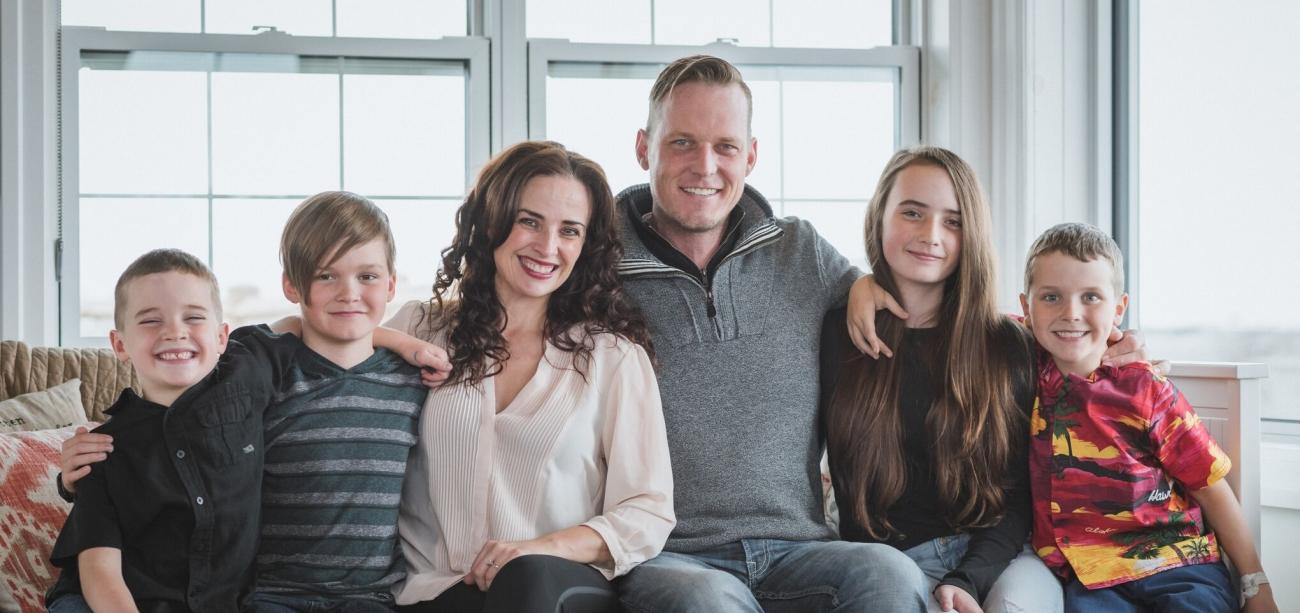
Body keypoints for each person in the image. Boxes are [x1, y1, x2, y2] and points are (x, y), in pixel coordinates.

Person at [612, 54, 928, 613]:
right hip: (669, 556)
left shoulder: (801, 251)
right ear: (644, 148)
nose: (705, 166)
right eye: (682, 143)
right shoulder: (597, 272)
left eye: (725, 147)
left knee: (891, 574)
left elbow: (908, 308)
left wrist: (863, 284)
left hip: (797, 548)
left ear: (750, 157)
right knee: (709, 600)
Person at [382, 140, 674, 613]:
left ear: (585, 246)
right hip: (434, 594)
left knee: (527, 579)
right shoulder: (419, 329)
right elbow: (328, 353)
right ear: (492, 221)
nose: (547, 247)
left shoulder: (613, 358)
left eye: (569, 231)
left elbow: (648, 511)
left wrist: (539, 549)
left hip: (553, 591)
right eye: (529, 221)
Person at [821, 146, 1062, 613]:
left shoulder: (1008, 344)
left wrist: (967, 579)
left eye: (953, 221)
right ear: (879, 217)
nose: (931, 235)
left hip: (998, 557)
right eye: (912, 212)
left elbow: (1017, 496)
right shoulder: (836, 334)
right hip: (889, 566)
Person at [1019, 223, 1279, 613]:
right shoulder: (1022, 371)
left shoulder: (1145, 388)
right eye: (1051, 297)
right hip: (1089, 579)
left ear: (1118, 308)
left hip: (1177, 563)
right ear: (1027, 307)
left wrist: (1255, 583)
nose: (1071, 313)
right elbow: (975, 322)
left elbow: (1210, 485)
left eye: (1091, 297)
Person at [46, 249, 296, 612]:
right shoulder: (102, 450)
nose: (175, 332)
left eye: (193, 317)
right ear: (120, 345)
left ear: (222, 337)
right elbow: (99, 571)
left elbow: (301, 326)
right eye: (151, 321)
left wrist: (389, 339)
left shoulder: (246, 377)